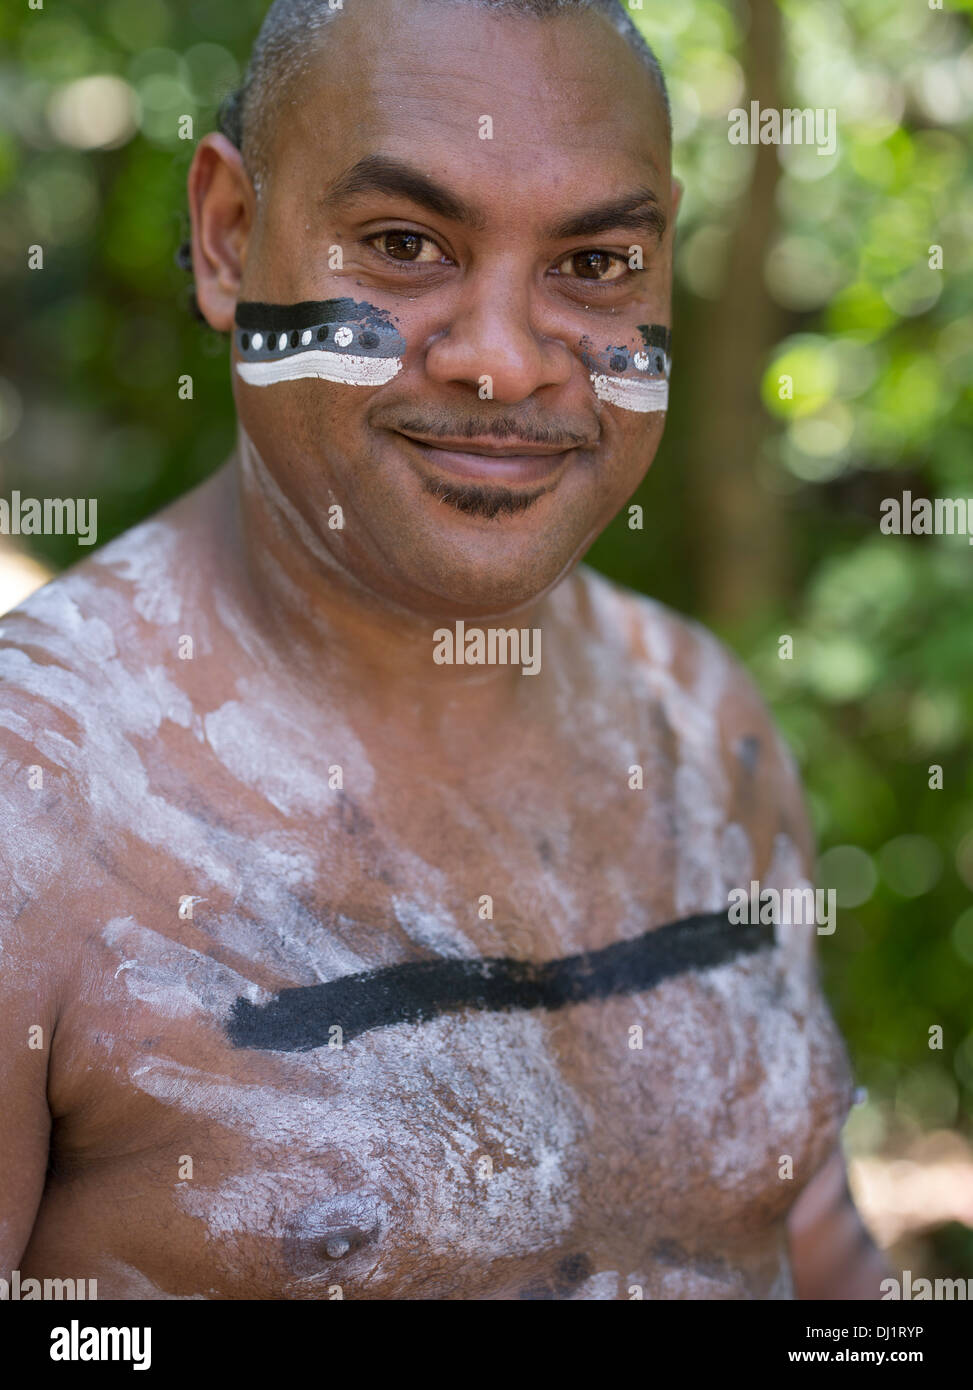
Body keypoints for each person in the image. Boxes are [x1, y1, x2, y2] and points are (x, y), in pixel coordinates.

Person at [0, 0, 887, 1299]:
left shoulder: (704, 727)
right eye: (405, 244)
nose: (503, 361)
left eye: (590, 265)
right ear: (229, 238)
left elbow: (800, 1241)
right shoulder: (40, 798)